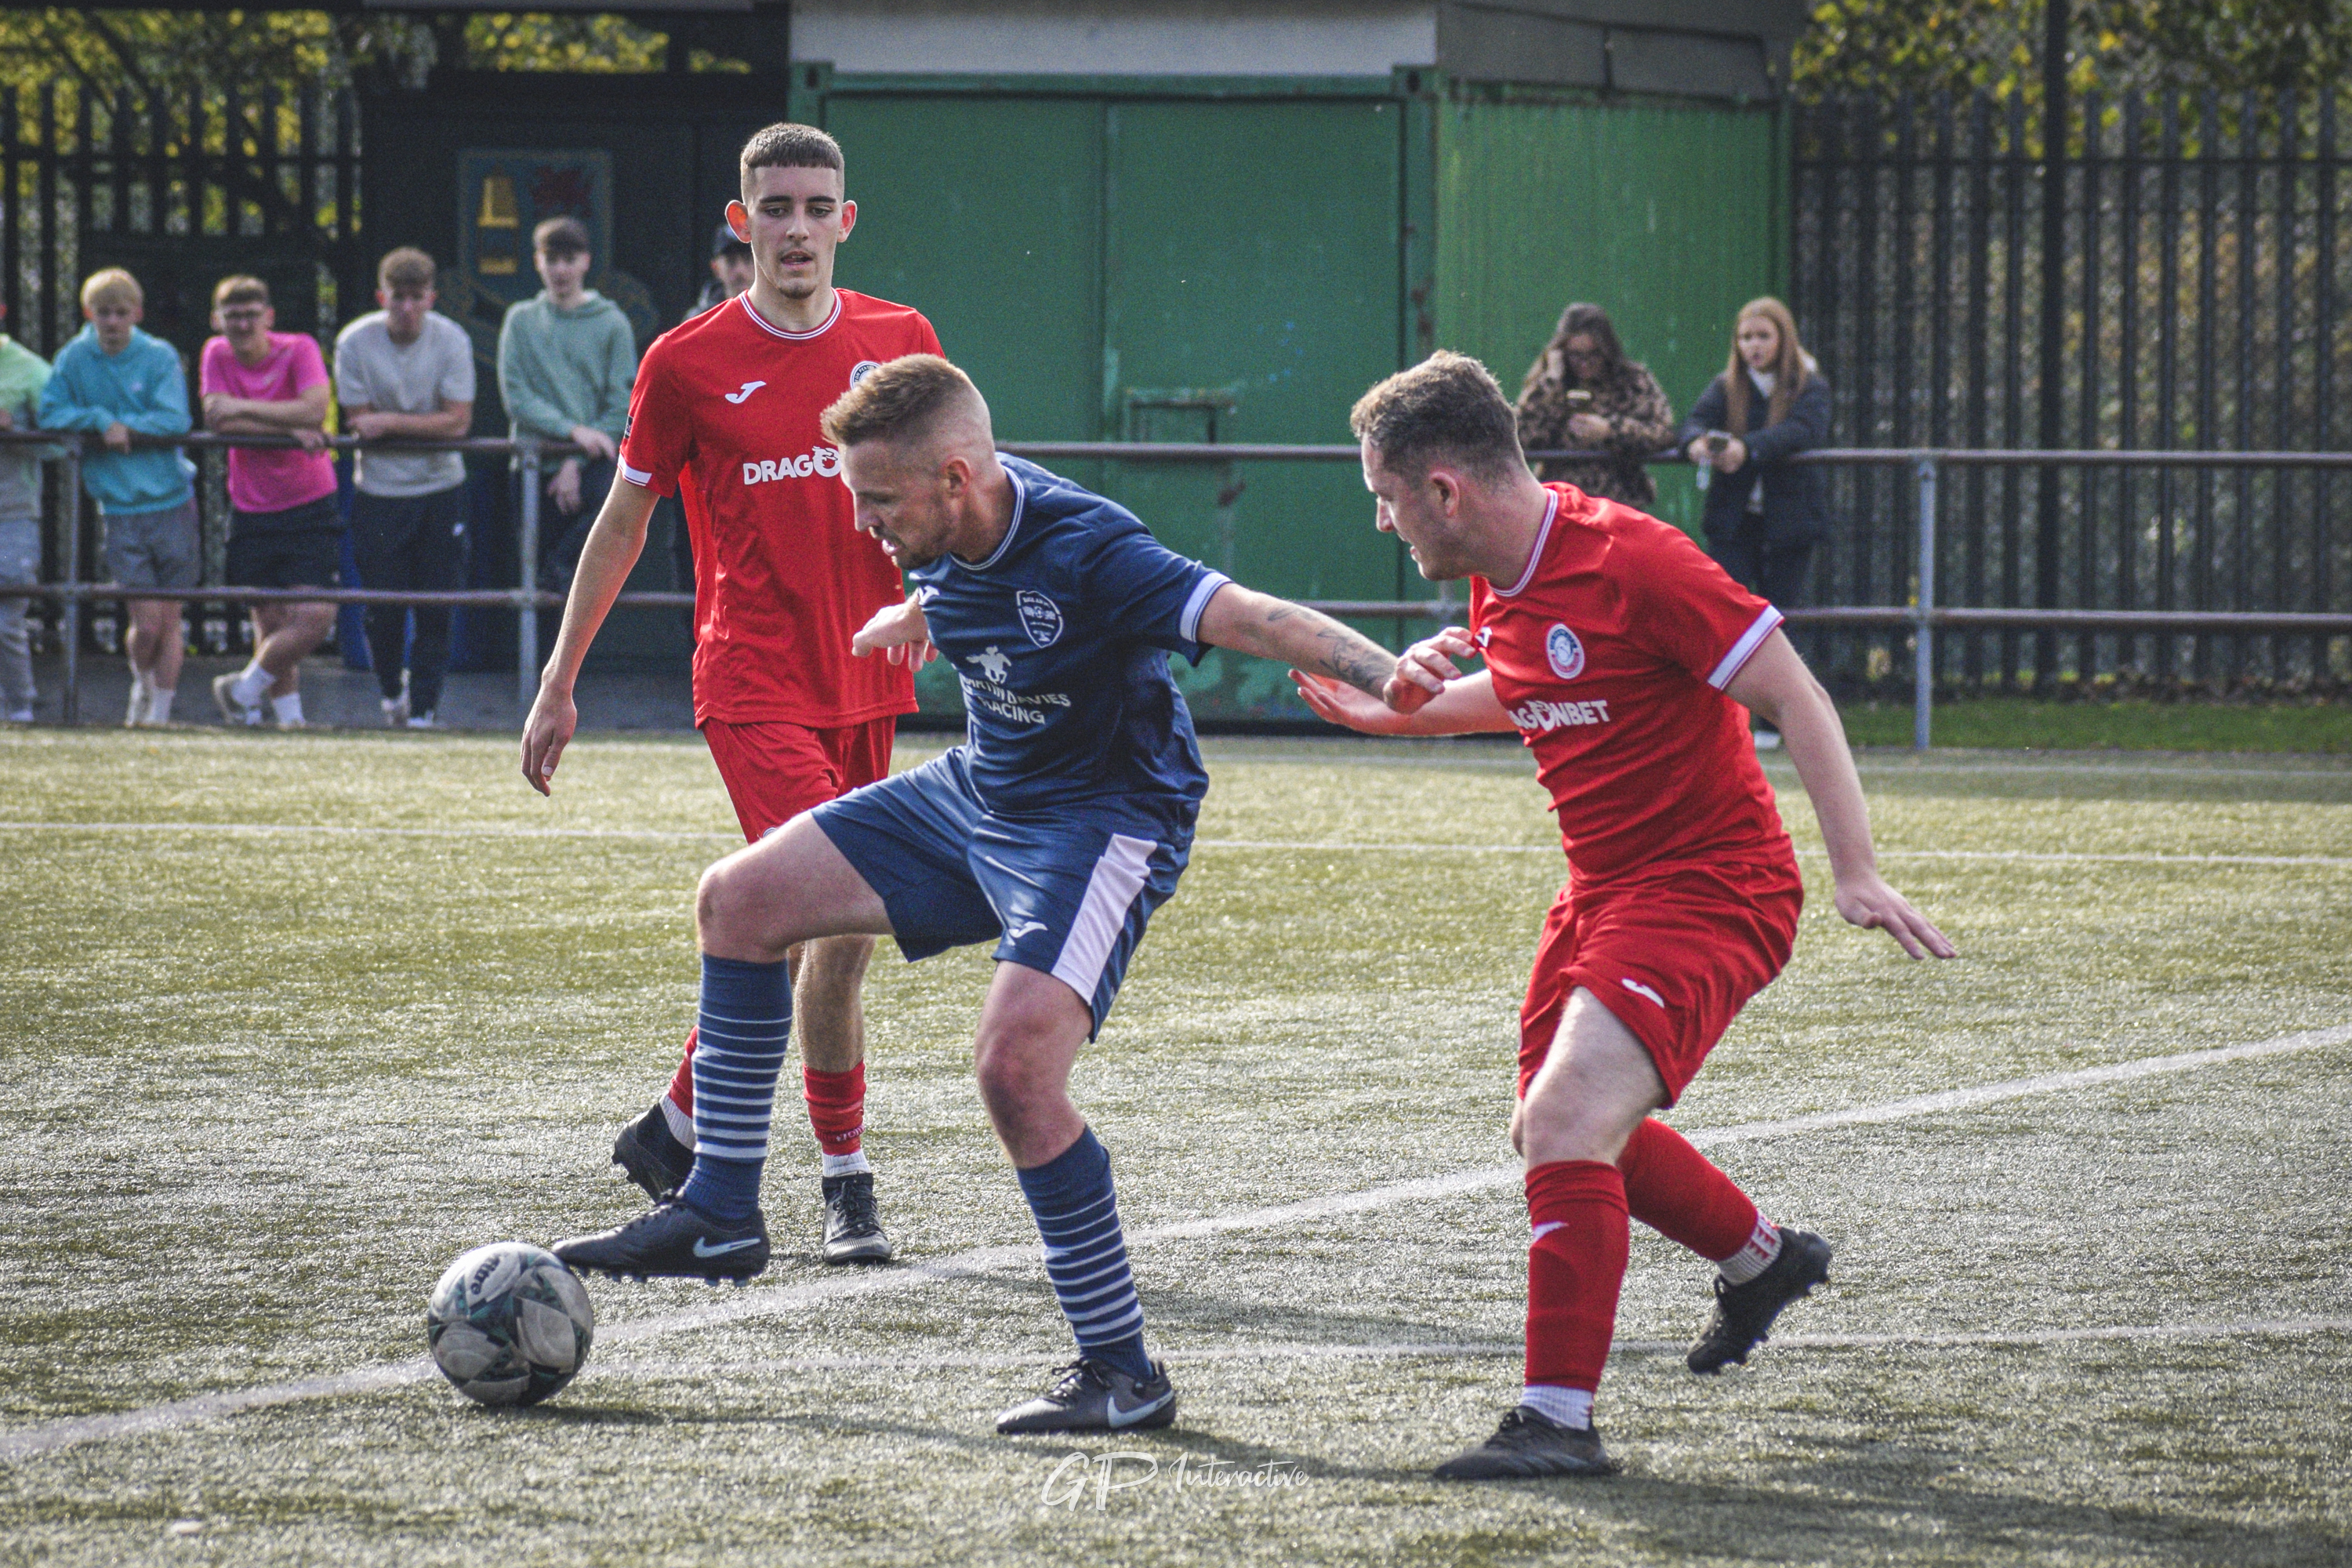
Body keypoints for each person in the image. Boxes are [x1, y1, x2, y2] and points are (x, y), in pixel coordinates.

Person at [541, 353, 1429, 1435]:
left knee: (1013, 1068)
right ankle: (721, 1210)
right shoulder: (946, 530)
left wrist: (1397, 681)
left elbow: (1256, 617)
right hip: (981, 794)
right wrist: (916, 620)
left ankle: (1123, 1373)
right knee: (738, 900)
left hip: (1101, 822)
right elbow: (977, 593)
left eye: (878, 501)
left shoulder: (1091, 545)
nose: (862, 521)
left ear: (955, 479)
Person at [1292, 350, 1954, 1480]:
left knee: (1564, 1128)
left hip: (1711, 884)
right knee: (1556, 1132)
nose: (1381, 522)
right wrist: (1394, 714)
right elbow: (1530, 684)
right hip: (1603, 890)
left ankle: (1555, 1424)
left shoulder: (1634, 556)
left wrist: (1856, 871)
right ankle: (1764, 1260)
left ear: (1444, 491)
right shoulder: (1497, 573)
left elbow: (1794, 691)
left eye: (1385, 499)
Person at [521, 123, 941, 1268]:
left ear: (845, 221)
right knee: (839, 900)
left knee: (840, 941)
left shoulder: (901, 347)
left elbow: (956, 495)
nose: (796, 228)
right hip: (750, 679)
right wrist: (560, 681)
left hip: (868, 677)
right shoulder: (686, 361)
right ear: (739, 220)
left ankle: (815, 1169)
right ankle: (723, 1166)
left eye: (816, 207)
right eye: (776, 207)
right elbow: (622, 522)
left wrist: (949, 602)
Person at [39, 269, 196, 728]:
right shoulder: (73, 357)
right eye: (103, 313)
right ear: (89, 314)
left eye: (121, 313)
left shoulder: (159, 355)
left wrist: (129, 428)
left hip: (171, 500)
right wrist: (100, 418)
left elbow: (176, 420)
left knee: (170, 620)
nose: (112, 322)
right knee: (144, 624)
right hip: (121, 509)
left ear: (137, 315)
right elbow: (52, 412)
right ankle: (141, 686)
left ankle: (160, 717)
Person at [1678, 297, 1833, 747]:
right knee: (1731, 619)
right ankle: (1733, 723)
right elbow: (1692, 424)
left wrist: (1748, 449)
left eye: (1763, 336)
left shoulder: (1809, 386)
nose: (1753, 346)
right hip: (1734, 524)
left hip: (1790, 524)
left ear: (1783, 338)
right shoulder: (1726, 386)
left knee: (1781, 618)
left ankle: (1780, 722)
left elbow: (1804, 431)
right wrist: (1698, 445)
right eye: (1745, 337)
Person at [335, 248, 477, 728]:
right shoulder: (354, 342)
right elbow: (358, 422)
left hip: (442, 490)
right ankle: (391, 692)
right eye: (399, 298)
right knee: (382, 609)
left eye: (418, 298)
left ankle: (424, 710)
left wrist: (390, 422)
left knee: (438, 606)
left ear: (432, 298)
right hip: (378, 493)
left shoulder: (453, 340)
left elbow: (458, 422)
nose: (408, 308)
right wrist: (421, 424)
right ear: (382, 297)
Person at [199, 276, 339, 730]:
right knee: (271, 618)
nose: (241, 324)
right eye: (232, 316)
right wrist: (284, 426)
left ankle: (241, 689)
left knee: (316, 615)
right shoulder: (214, 353)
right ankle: (289, 721)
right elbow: (218, 422)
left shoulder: (299, 348)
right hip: (252, 504)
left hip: (309, 498)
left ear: (269, 317)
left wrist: (243, 410)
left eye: (250, 314)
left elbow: (315, 411)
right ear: (218, 320)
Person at [497, 215, 637, 593]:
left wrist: (576, 458)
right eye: (552, 258)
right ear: (537, 261)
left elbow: (623, 401)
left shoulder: (613, 323)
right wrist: (574, 434)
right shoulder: (520, 320)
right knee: (535, 587)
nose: (561, 269)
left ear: (586, 262)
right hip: (533, 466)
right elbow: (517, 397)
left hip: (594, 465)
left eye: (569, 258)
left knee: (582, 581)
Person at [1514, 303, 1675, 509]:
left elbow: (1663, 433)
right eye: (1576, 355)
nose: (1585, 363)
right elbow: (1520, 436)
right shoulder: (1550, 381)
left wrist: (1610, 430)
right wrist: (1551, 383)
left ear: (1607, 350)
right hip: (1561, 506)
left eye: (1594, 354)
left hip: (1619, 503)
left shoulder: (1632, 382)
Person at [0, 303, 52, 723]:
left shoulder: (31, 370)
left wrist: (14, 434)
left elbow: (61, 445)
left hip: (12, 514)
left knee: (5, 622)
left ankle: (19, 707)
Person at [693, 220, 756, 315]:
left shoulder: (779, 316)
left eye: (748, 260)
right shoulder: (699, 321)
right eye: (731, 262)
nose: (740, 271)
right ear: (716, 268)